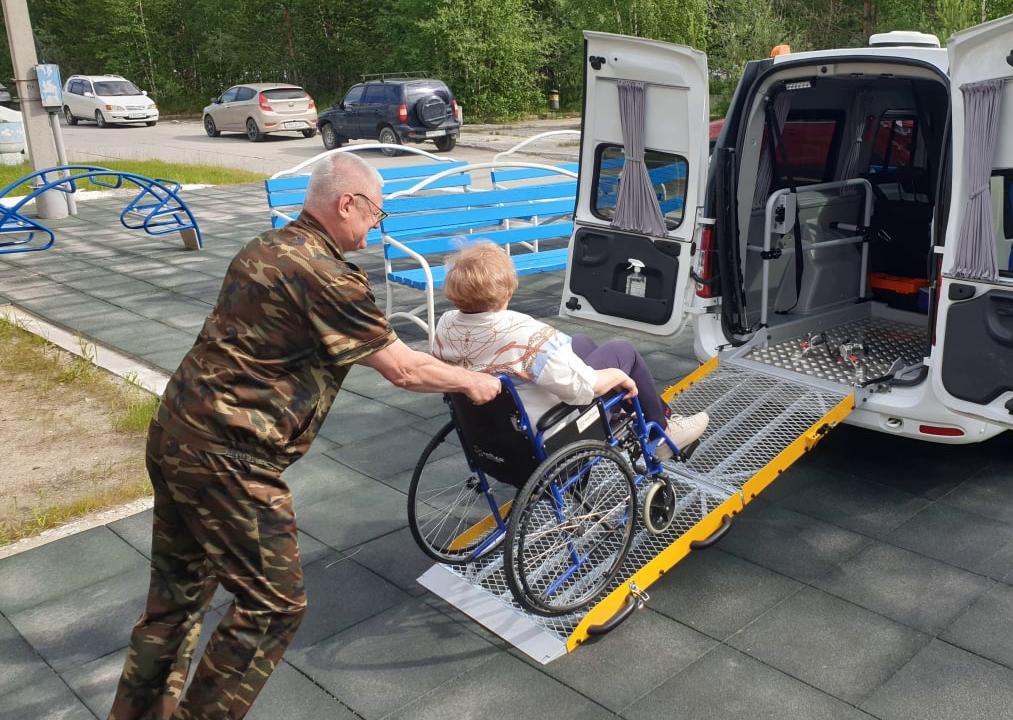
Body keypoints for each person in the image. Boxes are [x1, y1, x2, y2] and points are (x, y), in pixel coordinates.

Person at [108, 153, 500, 720]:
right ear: (347, 203)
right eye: (375, 214)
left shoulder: (265, 246)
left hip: (175, 433)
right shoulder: (327, 276)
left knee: (176, 601)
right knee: (274, 605)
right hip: (230, 457)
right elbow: (403, 369)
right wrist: (475, 382)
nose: (375, 227)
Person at [432, 241, 708, 459]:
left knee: (581, 343)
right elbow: (582, 388)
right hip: (549, 431)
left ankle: (641, 416)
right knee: (623, 352)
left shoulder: (446, 324)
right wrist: (616, 375)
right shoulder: (526, 335)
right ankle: (662, 435)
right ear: (506, 290)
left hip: (495, 429)